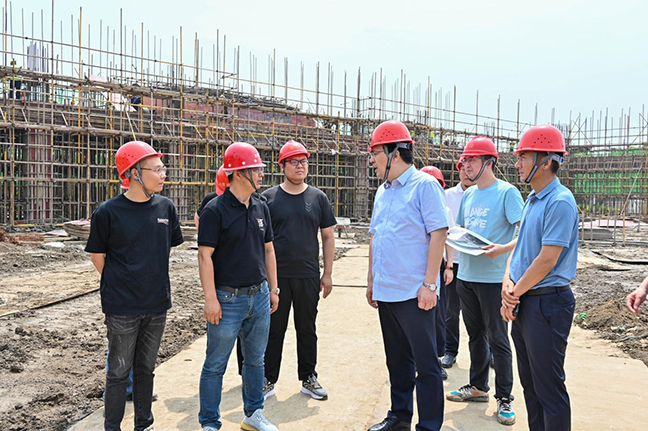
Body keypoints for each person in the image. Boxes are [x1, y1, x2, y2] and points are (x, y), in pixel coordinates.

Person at [86, 140, 183, 431]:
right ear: (134, 173)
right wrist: (121, 282)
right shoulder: (108, 212)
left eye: (163, 168)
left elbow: (164, 248)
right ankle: (112, 427)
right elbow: (97, 256)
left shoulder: (166, 207)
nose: (163, 174)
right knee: (118, 371)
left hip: (156, 304)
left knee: (145, 369)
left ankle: (144, 424)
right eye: (157, 169)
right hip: (122, 307)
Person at [366, 121, 448, 431]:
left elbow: (438, 233)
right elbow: (376, 236)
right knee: (397, 361)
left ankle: (428, 425)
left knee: (426, 365)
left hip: (415, 294)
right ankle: (399, 417)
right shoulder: (382, 192)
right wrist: (372, 280)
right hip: (387, 291)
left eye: (375, 153)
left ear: (395, 153)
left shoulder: (424, 186)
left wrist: (430, 284)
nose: (372, 160)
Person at [197, 142, 280, 431]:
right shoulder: (215, 210)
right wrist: (211, 299)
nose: (261, 174)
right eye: (256, 169)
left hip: (259, 296)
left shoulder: (260, 206)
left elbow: (269, 250)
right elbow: (204, 256)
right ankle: (210, 422)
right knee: (215, 363)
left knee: (255, 360)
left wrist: (273, 289)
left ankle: (253, 414)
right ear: (240, 173)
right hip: (227, 300)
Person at [501, 124, 578, 431]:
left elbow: (547, 260)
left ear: (546, 161)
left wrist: (514, 293)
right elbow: (520, 247)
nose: (517, 163)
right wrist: (508, 283)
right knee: (531, 387)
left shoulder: (559, 201)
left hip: (547, 303)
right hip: (526, 299)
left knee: (549, 389)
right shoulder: (533, 199)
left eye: (523, 157)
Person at [445, 136, 523, 426]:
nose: (465, 165)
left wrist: (502, 250)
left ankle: (505, 397)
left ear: (489, 162)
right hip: (467, 275)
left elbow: (525, 233)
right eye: (464, 160)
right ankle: (478, 386)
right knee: (475, 335)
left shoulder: (507, 193)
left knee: (498, 338)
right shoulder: (469, 195)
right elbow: (462, 229)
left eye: (471, 160)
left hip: (492, 280)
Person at [260, 140, 336, 401]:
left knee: (307, 328)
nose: (300, 166)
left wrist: (327, 273)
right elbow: (261, 242)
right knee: (274, 330)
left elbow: (327, 236)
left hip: (308, 274)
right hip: (277, 277)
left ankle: (308, 377)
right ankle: (267, 379)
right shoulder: (268, 198)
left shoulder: (318, 198)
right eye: (293, 162)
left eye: (303, 161)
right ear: (282, 166)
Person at [440, 157, 476, 369]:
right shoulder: (447, 197)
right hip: (453, 262)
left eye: (469, 168)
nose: (466, 172)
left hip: (477, 262)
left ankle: (488, 352)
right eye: (462, 168)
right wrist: (447, 264)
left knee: (480, 313)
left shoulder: (483, 195)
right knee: (451, 311)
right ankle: (450, 350)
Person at [420, 165, 455, 381]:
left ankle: (435, 360)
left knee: (437, 315)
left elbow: (448, 239)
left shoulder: (444, 210)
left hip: (437, 267)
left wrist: (449, 266)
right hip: (415, 266)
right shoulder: (411, 205)